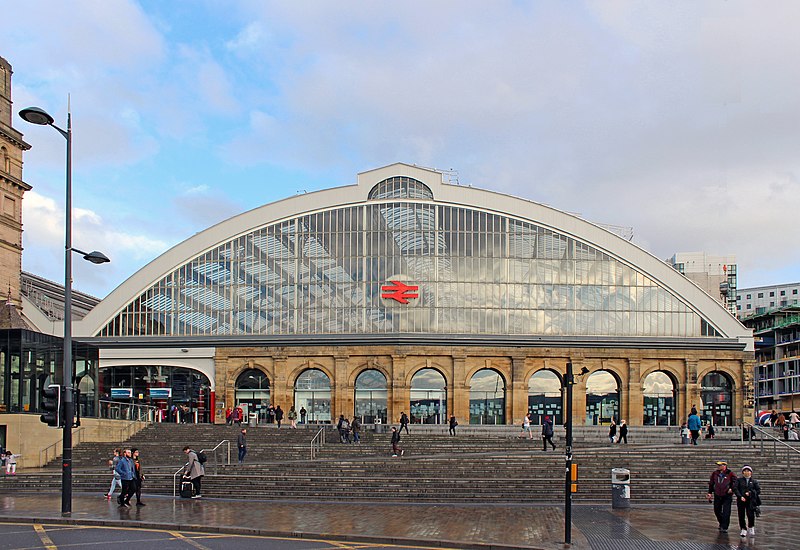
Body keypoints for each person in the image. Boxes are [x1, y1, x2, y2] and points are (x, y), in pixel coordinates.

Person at [707, 460, 737, 533]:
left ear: (724, 466)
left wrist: (731, 489)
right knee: (717, 510)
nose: (719, 467)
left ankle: (724, 526)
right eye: (718, 465)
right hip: (717, 494)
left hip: (727, 495)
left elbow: (735, 482)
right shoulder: (715, 473)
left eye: (720, 465)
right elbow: (711, 483)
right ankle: (721, 522)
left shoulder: (730, 473)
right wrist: (709, 492)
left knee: (726, 511)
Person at [734, 465, 761, 537]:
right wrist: (740, 496)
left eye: (748, 471)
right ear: (743, 473)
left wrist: (750, 493)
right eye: (745, 471)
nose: (747, 472)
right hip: (741, 500)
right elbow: (735, 489)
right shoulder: (739, 480)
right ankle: (743, 528)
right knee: (741, 515)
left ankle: (751, 526)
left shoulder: (754, 481)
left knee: (750, 514)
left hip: (750, 501)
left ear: (751, 472)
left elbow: (758, 490)